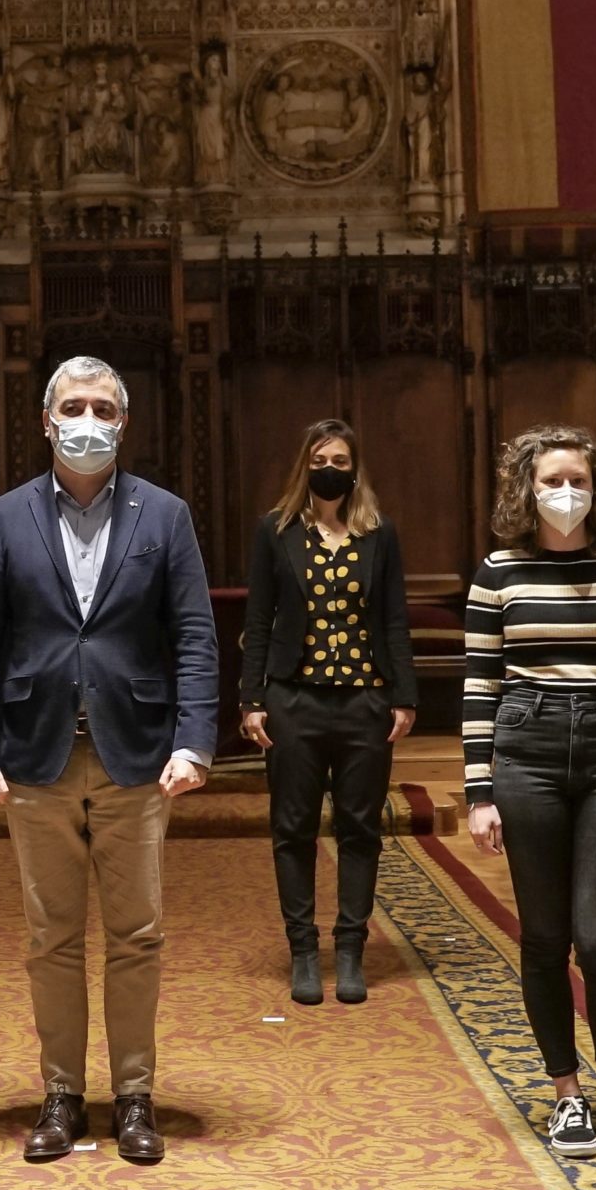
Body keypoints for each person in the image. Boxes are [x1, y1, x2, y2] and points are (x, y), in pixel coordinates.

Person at [0, 355, 217, 1166]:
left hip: (136, 753)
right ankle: (62, 1095)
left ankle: (134, 1096)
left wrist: (195, 740)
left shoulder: (164, 514)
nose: (88, 421)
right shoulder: (5, 516)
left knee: (137, 935)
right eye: (73, 406)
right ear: (46, 421)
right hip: (35, 753)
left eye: (104, 408)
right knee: (52, 937)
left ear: (123, 422)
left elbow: (195, 636)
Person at [464, 425, 596, 1164]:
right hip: (527, 754)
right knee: (546, 938)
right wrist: (478, 791)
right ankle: (566, 1096)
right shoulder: (497, 573)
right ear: (527, 488)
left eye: (578, 480)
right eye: (551, 480)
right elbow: (479, 685)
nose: (566, 492)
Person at [238, 419, 417, 1006]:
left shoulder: (379, 532)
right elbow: (259, 620)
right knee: (292, 828)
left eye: (340, 460)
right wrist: (251, 699)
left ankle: (350, 949)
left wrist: (404, 695)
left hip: (366, 700)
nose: (330, 470)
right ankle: (303, 952)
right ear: (305, 466)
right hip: (294, 700)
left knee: (360, 828)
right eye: (320, 460)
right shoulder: (276, 530)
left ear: (354, 468)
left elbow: (394, 617)